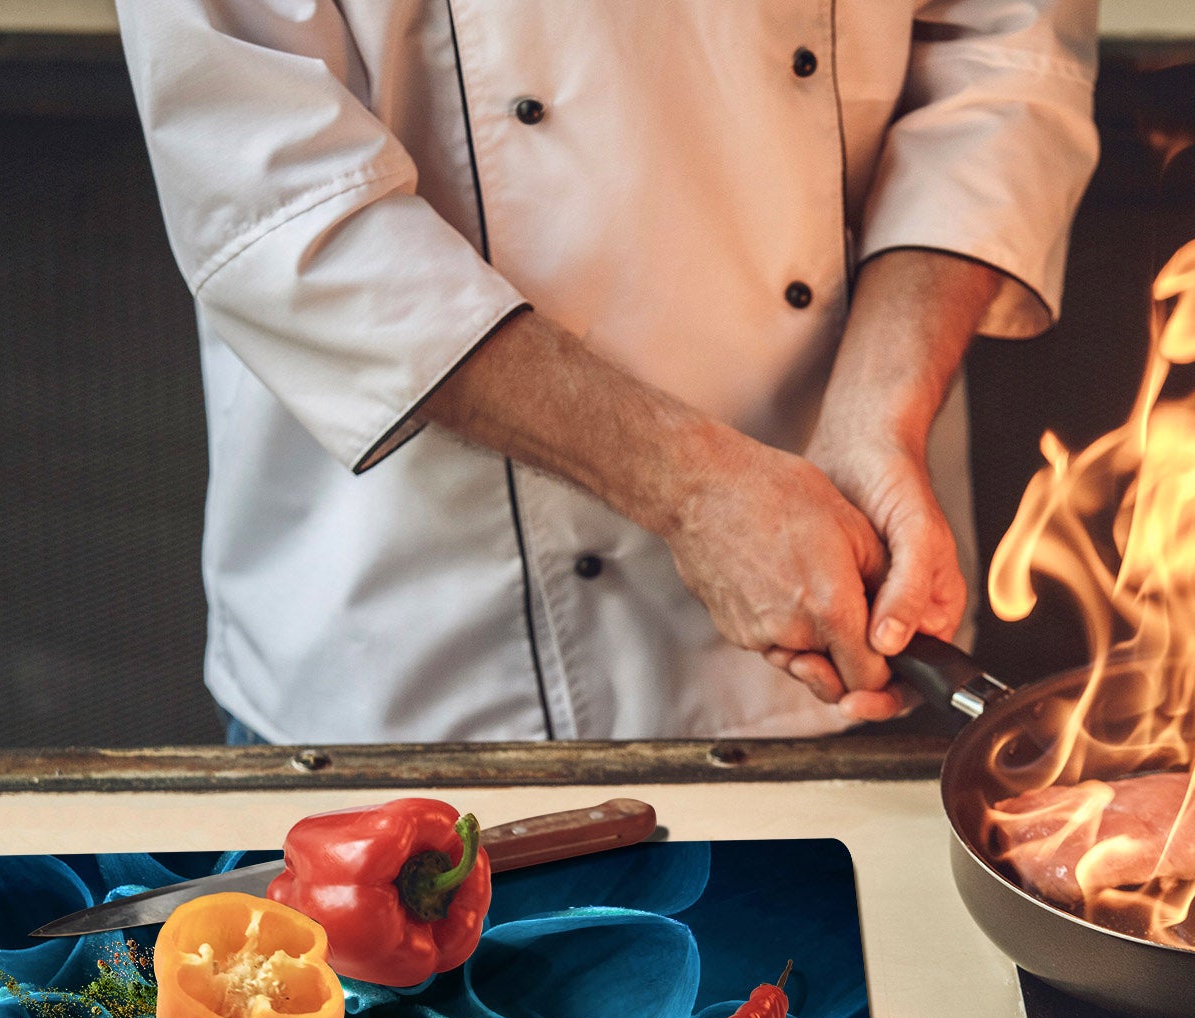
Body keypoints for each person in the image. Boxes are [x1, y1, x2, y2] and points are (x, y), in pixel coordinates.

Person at [115, 1, 1099, 742]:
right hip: (428, 647)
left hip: (855, 580)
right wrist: (690, 490)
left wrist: (879, 416)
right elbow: (277, 196)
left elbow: (1003, 59)